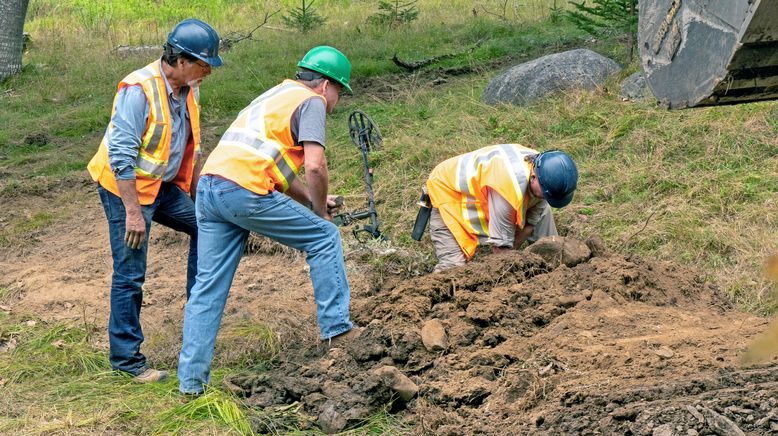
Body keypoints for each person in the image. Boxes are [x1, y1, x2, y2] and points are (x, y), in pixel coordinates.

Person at [177, 46, 358, 395]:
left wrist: (309, 199)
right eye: (339, 92)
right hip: (243, 191)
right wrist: (320, 214)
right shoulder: (313, 102)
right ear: (325, 85)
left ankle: (191, 386)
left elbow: (274, 166)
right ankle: (339, 332)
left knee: (207, 288)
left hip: (211, 188)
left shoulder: (277, 94)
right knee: (324, 237)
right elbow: (315, 165)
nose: (337, 101)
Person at [86, 18, 222, 383]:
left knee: (205, 226)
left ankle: (197, 319)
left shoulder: (190, 88)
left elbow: (190, 145)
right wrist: (133, 213)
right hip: (124, 189)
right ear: (179, 59)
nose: (208, 70)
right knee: (131, 273)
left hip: (160, 186)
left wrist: (196, 196)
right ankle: (126, 362)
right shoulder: (138, 89)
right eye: (203, 63)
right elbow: (121, 157)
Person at [425, 144, 578, 271]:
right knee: (453, 269)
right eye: (546, 195)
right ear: (533, 178)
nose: (547, 199)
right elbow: (501, 249)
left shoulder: (546, 168)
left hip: (492, 187)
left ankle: (555, 267)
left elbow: (530, 224)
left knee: (544, 215)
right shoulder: (508, 189)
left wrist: (516, 254)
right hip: (447, 191)